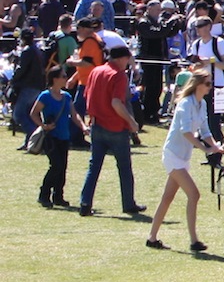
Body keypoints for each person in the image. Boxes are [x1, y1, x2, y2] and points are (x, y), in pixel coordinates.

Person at [144, 73, 224, 251]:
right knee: (194, 194)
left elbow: (204, 130)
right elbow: (186, 132)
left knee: (167, 198)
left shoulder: (201, 104)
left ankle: (152, 238)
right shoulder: (185, 104)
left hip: (183, 156)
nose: (210, 87)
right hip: (173, 154)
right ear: (198, 85)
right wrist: (205, 150)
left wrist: (215, 146)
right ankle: (194, 241)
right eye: (208, 84)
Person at [78, 44, 145, 218]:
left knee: (94, 166)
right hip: (115, 127)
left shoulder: (96, 71)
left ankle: (85, 203)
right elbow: (116, 102)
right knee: (124, 167)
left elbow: (87, 95)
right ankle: (128, 204)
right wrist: (131, 122)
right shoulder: (118, 75)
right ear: (122, 58)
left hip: (97, 125)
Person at [32, 73, 85, 208]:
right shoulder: (45, 96)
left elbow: (74, 115)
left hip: (64, 137)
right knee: (56, 165)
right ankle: (44, 194)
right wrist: (43, 125)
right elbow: (33, 113)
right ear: (55, 79)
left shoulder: (67, 96)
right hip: (51, 137)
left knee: (63, 168)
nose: (65, 78)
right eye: (63, 76)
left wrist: (83, 127)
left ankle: (58, 196)